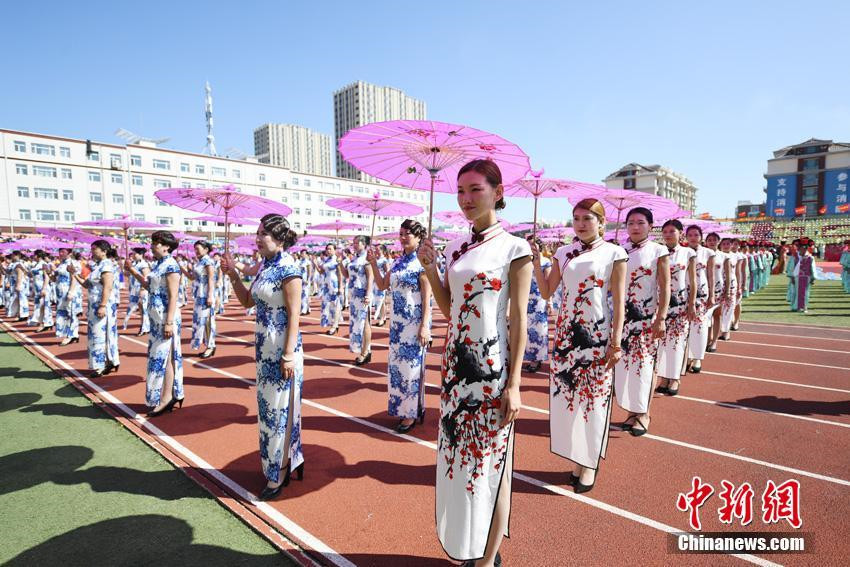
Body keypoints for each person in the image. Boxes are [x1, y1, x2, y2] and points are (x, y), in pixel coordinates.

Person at [419, 159, 531, 567]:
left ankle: (487, 559)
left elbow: (518, 320)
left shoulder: (516, 248)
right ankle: (470, 545)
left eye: (475, 190)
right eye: (461, 191)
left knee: (493, 464)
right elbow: (451, 310)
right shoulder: (455, 247)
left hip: (491, 370)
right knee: (460, 460)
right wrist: (431, 269)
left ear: (498, 193)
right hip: (454, 368)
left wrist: (514, 383)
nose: (466, 199)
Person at [530, 198, 626, 493]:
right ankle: (579, 458)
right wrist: (536, 261)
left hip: (596, 337)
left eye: (587, 218)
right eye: (576, 218)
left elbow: (619, 300)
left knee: (593, 400)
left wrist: (616, 341)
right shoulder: (563, 252)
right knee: (568, 398)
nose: (581, 223)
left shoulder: (615, 253)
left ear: (601, 222)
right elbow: (547, 292)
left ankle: (590, 462)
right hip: (565, 335)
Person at [222, 214, 304, 501]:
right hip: (263, 350)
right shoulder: (264, 268)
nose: (257, 239)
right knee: (268, 412)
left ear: (279, 239)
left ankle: (280, 470)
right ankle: (277, 462)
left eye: (263, 235)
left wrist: (289, 354)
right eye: (257, 233)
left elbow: (294, 315)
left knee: (281, 411)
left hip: (282, 350)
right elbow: (247, 301)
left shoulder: (289, 269)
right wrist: (233, 274)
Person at [368, 219, 432, 433]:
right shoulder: (397, 262)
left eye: (407, 234)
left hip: (413, 324)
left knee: (412, 368)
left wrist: (425, 325)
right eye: (401, 233)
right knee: (398, 368)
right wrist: (374, 264)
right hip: (397, 326)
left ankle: (411, 413)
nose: (403, 237)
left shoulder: (422, 262)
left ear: (418, 236)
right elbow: (382, 285)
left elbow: (427, 298)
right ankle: (405, 408)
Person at [613, 207, 670, 437]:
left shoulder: (659, 250)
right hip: (621, 318)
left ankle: (644, 413)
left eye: (640, 222)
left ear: (650, 226)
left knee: (645, 365)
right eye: (631, 223)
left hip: (646, 318)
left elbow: (665, 286)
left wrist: (661, 317)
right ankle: (632, 411)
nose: (635, 227)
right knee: (625, 366)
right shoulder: (618, 250)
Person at [125, 231, 184, 416]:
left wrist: (168, 322)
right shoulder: (158, 264)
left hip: (167, 317)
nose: (152, 246)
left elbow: (174, 295)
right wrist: (133, 271)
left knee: (165, 358)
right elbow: (150, 287)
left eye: (156, 243)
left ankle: (167, 397)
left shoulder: (171, 265)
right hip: (156, 319)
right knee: (162, 357)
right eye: (152, 242)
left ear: (166, 246)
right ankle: (169, 395)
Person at [655, 220, 696, 396]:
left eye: (672, 231)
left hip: (679, 304)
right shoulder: (657, 251)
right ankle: (664, 377)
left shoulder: (688, 253)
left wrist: (692, 303)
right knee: (661, 343)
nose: (668, 234)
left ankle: (675, 378)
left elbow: (692, 281)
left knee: (677, 342)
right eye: (665, 231)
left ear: (681, 233)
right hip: (659, 304)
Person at [69, 240, 120, 377]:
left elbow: (108, 287)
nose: (92, 252)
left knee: (99, 335)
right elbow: (87, 285)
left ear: (104, 251)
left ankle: (100, 365)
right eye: (91, 249)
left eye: (95, 249)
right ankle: (110, 361)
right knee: (96, 334)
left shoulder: (106, 265)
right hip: (94, 305)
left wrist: (102, 306)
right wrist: (74, 274)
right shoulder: (97, 266)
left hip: (102, 305)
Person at [684, 226, 715, 374]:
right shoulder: (682, 252)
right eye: (690, 235)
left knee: (700, 325)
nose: (693, 237)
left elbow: (711, 275)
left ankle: (697, 357)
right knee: (686, 326)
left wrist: (712, 294)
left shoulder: (708, 253)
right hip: (685, 292)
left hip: (702, 293)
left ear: (701, 237)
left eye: (696, 235)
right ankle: (687, 356)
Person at [340, 235, 374, 365]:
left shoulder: (367, 259)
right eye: (353, 243)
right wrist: (341, 263)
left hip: (363, 294)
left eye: (356, 243)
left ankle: (365, 352)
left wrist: (368, 294)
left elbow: (370, 277)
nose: (354, 245)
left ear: (364, 244)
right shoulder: (354, 259)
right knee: (356, 323)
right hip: (353, 295)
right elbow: (347, 275)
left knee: (365, 323)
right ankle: (364, 350)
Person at [182, 241, 217, 359]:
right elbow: (192, 277)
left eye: (198, 249)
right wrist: (184, 269)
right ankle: (208, 344)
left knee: (207, 321)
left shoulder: (208, 261)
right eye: (194, 249)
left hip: (205, 295)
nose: (195, 251)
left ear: (206, 249)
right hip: (198, 295)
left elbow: (211, 279)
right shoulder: (200, 261)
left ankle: (211, 346)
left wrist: (210, 296)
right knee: (200, 321)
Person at [523, 237, 551, 373]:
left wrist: (549, 302)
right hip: (525, 297)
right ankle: (527, 356)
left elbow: (548, 282)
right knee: (526, 328)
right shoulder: (525, 261)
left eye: (532, 245)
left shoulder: (546, 262)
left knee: (539, 329)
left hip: (539, 298)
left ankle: (537, 359)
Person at [54, 247, 81, 346]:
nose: (60, 253)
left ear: (69, 253)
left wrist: (71, 291)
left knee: (71, 313)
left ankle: (71, 335)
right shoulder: (61, 264)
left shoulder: (74, 263)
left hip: (69, 291)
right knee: (63, 313)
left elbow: (74, 278)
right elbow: (55, 279)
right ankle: (71, 334)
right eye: (59, 251)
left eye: (63, 252)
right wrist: (49, 272)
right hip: (60, 293)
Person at [317, 244, 344, 335]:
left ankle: (334, 325)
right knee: (326, 305)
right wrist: (315, 264)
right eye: (327, 249)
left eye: (330, 249)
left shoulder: (337, 260)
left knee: (336, 305)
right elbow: (321, 272)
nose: (328, 251)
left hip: (334, 284)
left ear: (335, 250)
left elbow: (340, 274)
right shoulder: (326, 260)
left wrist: (340, 287)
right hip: (326, 285)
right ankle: (332, 323)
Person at [124, 247, 151, 336]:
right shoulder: (134, 264)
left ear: (141, 255)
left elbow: (146, 277)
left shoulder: (144, 264)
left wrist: (142, 289)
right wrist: (124, 267)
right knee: (141, 309)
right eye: (133, 253)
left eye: (135, 254)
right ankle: (145, 326)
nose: (133, 255)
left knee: (144, 309)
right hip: (134, 289)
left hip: (141, 289)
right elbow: (127, 274)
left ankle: (144, 327)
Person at [718, 238, 739, 340]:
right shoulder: (718, 255)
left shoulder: (735, 256)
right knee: (719, 309)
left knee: (729, 308)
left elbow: (737, 272)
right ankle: (718, 330)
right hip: (719, 283)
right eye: (724, 244)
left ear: (732, 245)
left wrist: (740, 287)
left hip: (731, 285)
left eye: (728, 244)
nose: (726, 245)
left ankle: (726, 332)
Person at [29, 250, 54, 332]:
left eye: (34, 255)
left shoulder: (44, 264)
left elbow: (47, 277)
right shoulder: (36, 264)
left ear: (38, 256)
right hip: (37, 288)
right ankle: (46, 323)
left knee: (44, 306)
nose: (33, 257)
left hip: (43, 287)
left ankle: (44, 323)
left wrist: (44, 288)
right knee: (40, 306)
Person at [793, 238, 817, 313]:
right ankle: (798, 306)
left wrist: (813, 278)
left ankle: (804, 306)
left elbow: (813, 268)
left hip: (807, 276)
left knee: (806, 292)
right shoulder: (797, 257)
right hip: (798, 276)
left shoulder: (810, 258)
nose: (800, 250)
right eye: (800, 248)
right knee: (798, 292)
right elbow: (794, 267)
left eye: (802, 248)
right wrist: (792, 276)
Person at [371, 244, 390, 326]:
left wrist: (387, 283)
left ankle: (382, 318)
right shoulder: (375, 259)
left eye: (378, 249)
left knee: (382, 300)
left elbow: (388, 271)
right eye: (375, 249)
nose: (376, 250)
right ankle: (382, 317)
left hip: (382, 281)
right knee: (379, 300)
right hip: (375, 282)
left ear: (382, 250)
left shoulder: (384, 260)